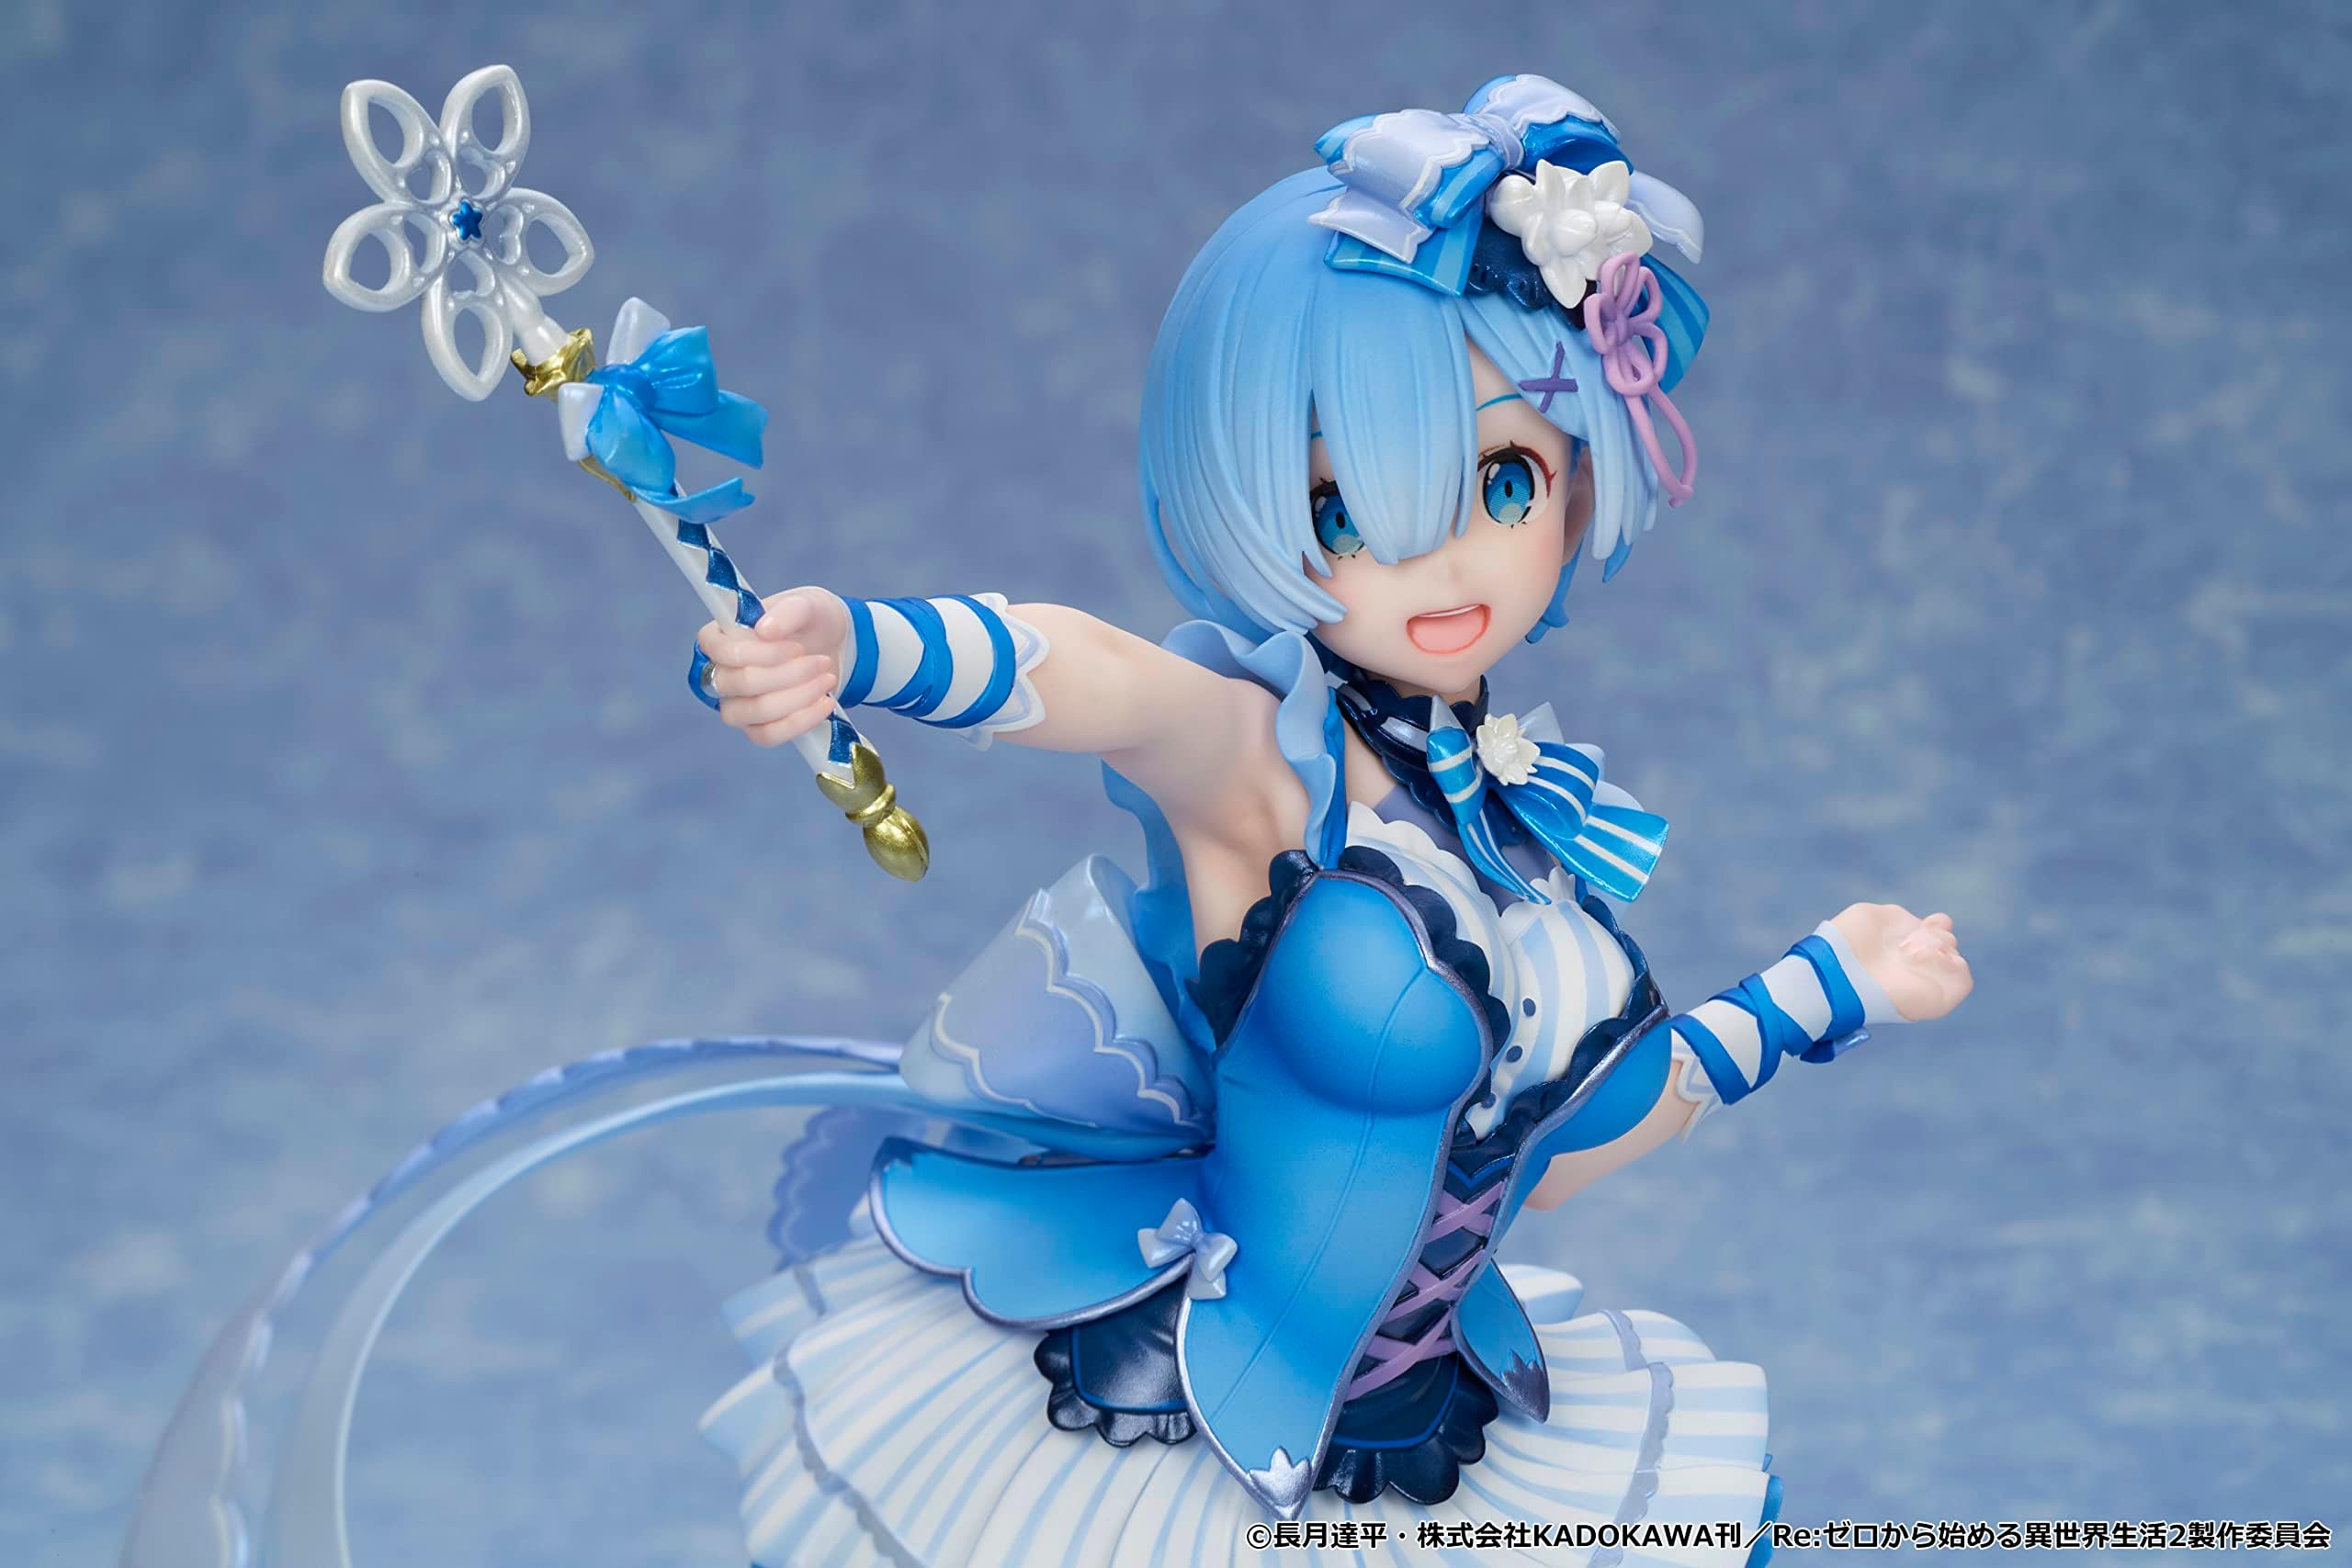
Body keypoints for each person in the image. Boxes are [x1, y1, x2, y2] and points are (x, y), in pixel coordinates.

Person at [126, 73, 1970, 1568]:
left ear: (1580, 472)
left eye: (1498, 480)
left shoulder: (1529, 855)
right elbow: (1084, 672)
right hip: (1203, 1441)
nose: (1442, 564)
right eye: (1347, 506)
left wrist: (1827, 986)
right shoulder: (1266, 762)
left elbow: (1562, 1143)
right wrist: (855, 644)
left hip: (1438, 1433)